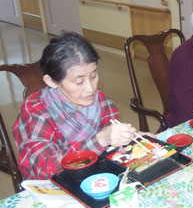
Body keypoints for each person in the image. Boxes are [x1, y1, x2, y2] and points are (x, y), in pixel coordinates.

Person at [13, 32, 138, 180]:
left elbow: (111, 145)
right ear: (52, 81)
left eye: (93, 76)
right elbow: (46, 169)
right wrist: (100, 140)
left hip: (94, 175)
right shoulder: (36, 110)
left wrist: (131, 137)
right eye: (79, 82)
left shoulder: (98, 99)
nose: (90, 88)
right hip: (54, 186)